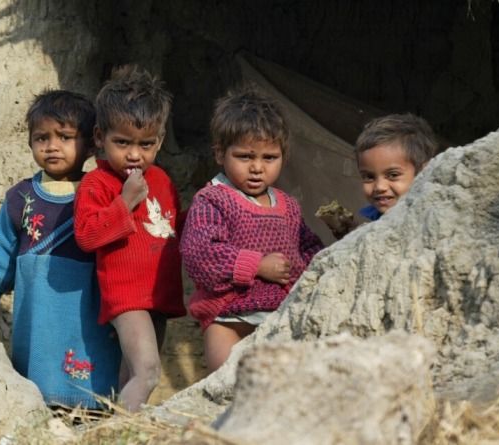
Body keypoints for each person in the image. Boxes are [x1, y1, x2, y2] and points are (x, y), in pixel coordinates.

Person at [0, 90, 121, 410]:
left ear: (91, 144)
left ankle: (94, 412)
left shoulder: (102, 192)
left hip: (87, 303)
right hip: (39, 306)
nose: (51, 146)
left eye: (65, 136)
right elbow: (2, 245)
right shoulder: (21, 197)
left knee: (92, 360)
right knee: (41, 363)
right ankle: (42, 411)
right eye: (41, 138)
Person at [179, 86, 324, 373]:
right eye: (245, 156)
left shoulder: (289, 206)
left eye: (269, 158)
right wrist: (257, 265)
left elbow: (309, 251)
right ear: (220, 153)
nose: (257, 167)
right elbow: (200, 255)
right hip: (228, 321)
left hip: (278, 319)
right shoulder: (213, 199)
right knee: (227, 390)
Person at [73, 65, 186, 412]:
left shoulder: (164, 180)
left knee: (130, 374)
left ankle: (117, 421)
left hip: (159, 295)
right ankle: (121, 434)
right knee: (149, 372)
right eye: (122, 143)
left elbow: (171, 229)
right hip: (127, 296)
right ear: (99, 138)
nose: (135, 154)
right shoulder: (98, 183)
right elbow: (88, 236)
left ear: (160, 141)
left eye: (146, 144)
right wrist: (125, 201)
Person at [355, 112, 439, 220]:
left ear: (423, 173)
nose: (380, 187)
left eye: (393, 175)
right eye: (369, 177)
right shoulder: (376, 216)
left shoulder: (429, 218)